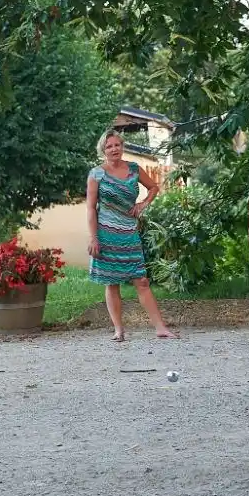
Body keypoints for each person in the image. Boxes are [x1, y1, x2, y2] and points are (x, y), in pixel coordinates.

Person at [86, 129, 177, 341]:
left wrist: (143, 204)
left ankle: (160, 328)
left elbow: (154, 187)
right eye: (109, 146)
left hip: (129, 233)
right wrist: (93, 238)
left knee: (142, 281)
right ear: (103, 150)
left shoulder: (134, 169)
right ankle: (118, 330)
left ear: (122, 146)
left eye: (117, 145)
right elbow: (91, 208)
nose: (114, 149)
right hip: (105, 234)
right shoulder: (96, 173)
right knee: (111, 282)